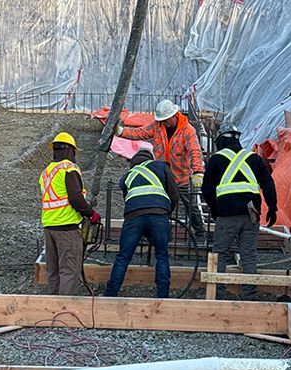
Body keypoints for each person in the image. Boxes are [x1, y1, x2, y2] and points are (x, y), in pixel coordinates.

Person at [201, 124, 278, 300]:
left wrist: (215, 210)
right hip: (251, 214)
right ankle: (249, 294)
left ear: (221, 140)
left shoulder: (216, 159)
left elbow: (207, 189)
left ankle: (217, 293)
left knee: (220, 253)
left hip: (227, 215)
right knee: (248, 253)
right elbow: (268, 184)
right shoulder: (253, 158)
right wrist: (272, 208)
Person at [115, 99, 205, 238]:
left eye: (167, 120)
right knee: (161, 206)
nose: (165, 123)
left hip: (182, 177)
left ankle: (200, 233)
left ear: (175, 115)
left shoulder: (187, 131)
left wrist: (198, 171)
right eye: (162, 120)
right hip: (162, 176)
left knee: (191, 207)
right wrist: (121, 132)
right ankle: (162, 233)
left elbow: (194, 151)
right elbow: (140, 133)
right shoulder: (157, 126)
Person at [104, 145, 179, 298]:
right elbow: (174, 193)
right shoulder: (160, 166)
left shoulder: (127, 176)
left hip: (134, 216)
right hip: (159, 215)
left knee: (123, 256)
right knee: (162, 255)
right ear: (151, 158)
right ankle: (163, 297)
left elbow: (129, 199)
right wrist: (165, 211)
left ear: (134, 161)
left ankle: (110, 295)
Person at [39, 132, 101, 295]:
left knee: (53, 271)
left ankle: (52, 307)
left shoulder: (46, 172)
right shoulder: (69, 168)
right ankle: (63, 313)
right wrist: (90, 213)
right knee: (69, 271)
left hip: (49, 226)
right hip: (66, 228)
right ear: (71, 151)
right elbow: (75, 198)